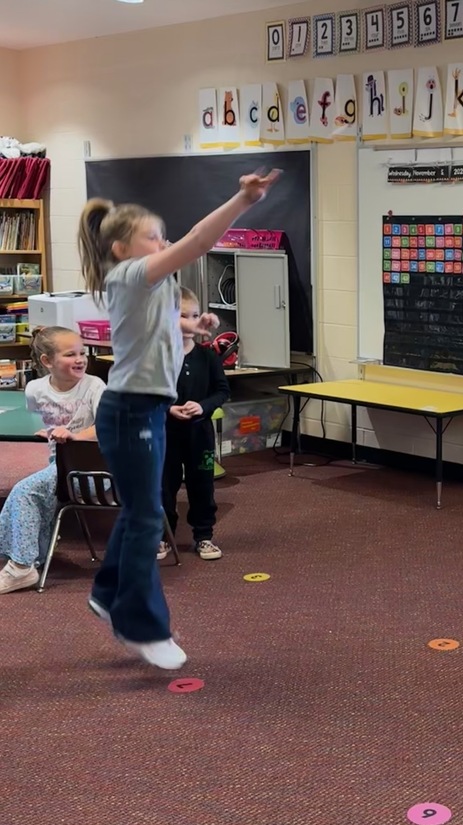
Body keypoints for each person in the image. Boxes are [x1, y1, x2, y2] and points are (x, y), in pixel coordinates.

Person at [77, 168, 281, 670]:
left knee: (139, 509)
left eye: (162, 234)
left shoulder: (152, 284)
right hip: (129, 411)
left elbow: (160, 329)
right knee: (147, 515)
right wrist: (242, 199)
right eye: (152, 235)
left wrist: (195, 322)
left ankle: (107, 592)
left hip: (141, 408)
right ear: (122, 248)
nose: (162, 242)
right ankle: (141, 625)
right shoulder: (126, 273)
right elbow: (197, 240)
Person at [0, 327, 105, 593]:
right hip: (58, 468)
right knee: (38, 495)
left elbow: (105, 429)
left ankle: (21, 567)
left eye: (82, 353)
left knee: (25, 491)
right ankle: (32, 559)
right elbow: (39, 418)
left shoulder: (95, 386)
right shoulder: (35, 389)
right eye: (71, 354)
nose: (80, 359)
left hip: (91, 470)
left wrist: (74, 435)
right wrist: (48, 431)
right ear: (47, 361)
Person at [159, 287, 230, 563]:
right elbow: (147, 392)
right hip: (166, 433)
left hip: (199, 434)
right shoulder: (160, 356)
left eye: (195, 315)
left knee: (202, 485)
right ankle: (164, 535)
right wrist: (167, 408)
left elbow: (222, 391)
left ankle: (203, 535)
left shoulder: (208, 357)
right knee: (165, 486)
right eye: (183, 315)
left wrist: (203, 406)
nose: (192, 321)